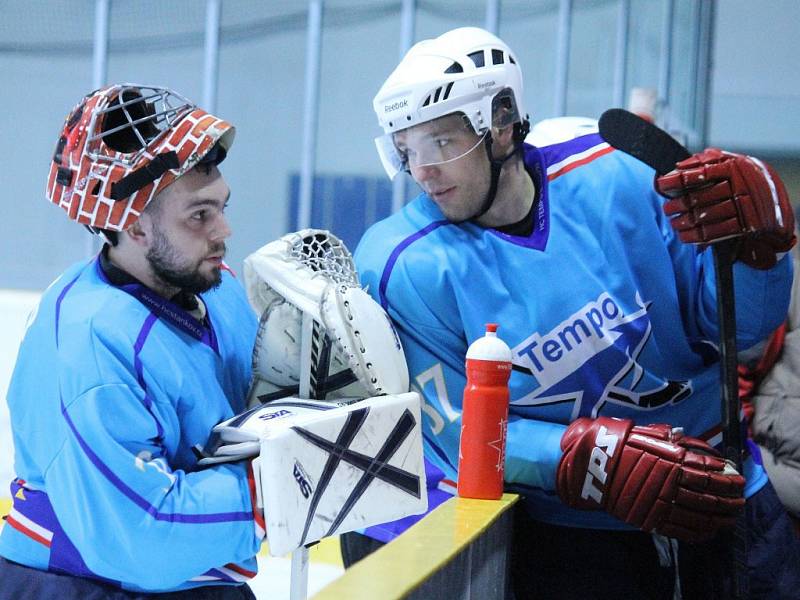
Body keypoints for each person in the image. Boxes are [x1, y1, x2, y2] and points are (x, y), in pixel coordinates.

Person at [348, 27, 800, 599]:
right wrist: (581, 456)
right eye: (407, 151)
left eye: (442, 142)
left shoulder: (617, 174)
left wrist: (759, 258)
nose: (424, 171)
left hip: (724, 490)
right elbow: (455, 435)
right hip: (570, 538)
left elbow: (740, 329)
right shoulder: (401, 265)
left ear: (503, 120)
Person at [0, 84, 264, 598]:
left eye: (222, 206)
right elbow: (145, 530)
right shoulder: (91, 340)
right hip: (85, 586)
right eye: (199, 215)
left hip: (195, 576)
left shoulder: (219, 289)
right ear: (135, 226)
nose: (225, 230)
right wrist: (282, 484)